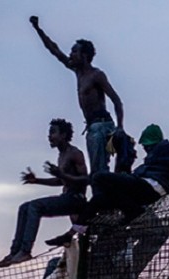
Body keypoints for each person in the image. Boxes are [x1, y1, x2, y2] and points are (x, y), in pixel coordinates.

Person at [49, 124, 169, 241]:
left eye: (147, 145)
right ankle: (73, 231)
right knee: (99, 200)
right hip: (141, 189)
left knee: (98, 177)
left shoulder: (165, 148)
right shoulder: (148, 162)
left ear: (153, 143)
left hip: (150, 187)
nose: (146, 149)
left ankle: (132, 210)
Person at [29, 16, 124, 175]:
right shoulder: (78, 72)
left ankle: (102, 197)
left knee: (98, 170)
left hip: (102, 126)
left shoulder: (96, 75)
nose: (70, 54)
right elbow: (54, 50)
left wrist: (120, 127)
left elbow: (117, 101)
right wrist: (38, 29)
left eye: (74, 51)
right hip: (92, 126)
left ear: (84, 56)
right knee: (99, 168)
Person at [0, 119, 87, 267]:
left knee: (34, 207)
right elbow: (60, 181)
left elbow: (84, 180)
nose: (49, 136)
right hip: (66, 197)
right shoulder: (61, 155)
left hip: (76, 199)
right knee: (24, 207)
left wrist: (61, 175)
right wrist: (36, 180)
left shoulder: (75, 153)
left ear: (63, 135)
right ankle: (14, 252)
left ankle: (25, 251)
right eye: (49, 133)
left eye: (53, 132)